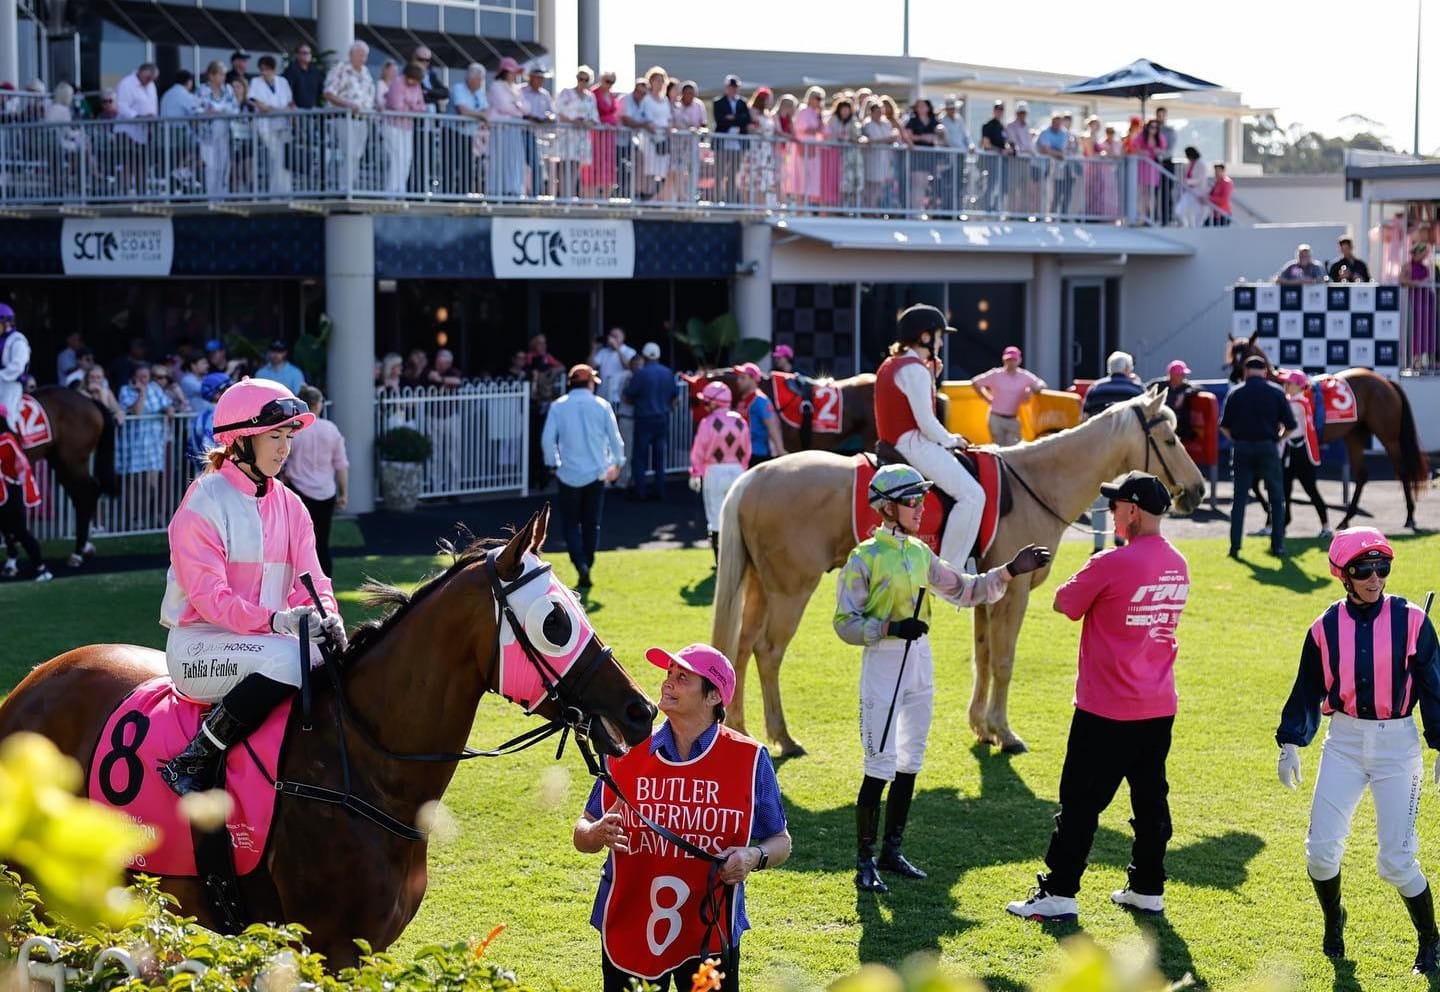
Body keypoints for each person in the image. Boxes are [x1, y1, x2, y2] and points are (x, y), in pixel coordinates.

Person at [838, 464, 1049, 893]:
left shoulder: (919, 553)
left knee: (910, 759)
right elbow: (845, 623)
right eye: (912, 501)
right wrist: (889, 629)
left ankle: (891, 852)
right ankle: (864, 860)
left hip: (920, 660)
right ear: (887, 507)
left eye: (922, 499)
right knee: (879, 763)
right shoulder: (863, 558)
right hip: (883, 661)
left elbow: (966, 590)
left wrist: (1009, 569)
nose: (922, 508)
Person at [1006, 471, 1189, 921]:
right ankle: (1147, 887)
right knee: (1150, 802)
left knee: (1080, 805)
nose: (1110, 513)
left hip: (1105, 708)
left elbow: (1064, 603)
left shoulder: (1110, 562)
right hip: (1158, 705)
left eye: (1115, 506)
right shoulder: (1178, 562)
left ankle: (1059, 893)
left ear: (1132, 511)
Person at [157, 378, 345, 797]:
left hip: (263, 641)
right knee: (291, 661)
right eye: (274, 436)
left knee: (331, 658)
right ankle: (194, 757)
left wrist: (329, 615)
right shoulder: (203, 502)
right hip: (199, 646)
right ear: (240, 440)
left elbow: (311, 580)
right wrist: (278, 621)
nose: (284, 448)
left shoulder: (292, 505)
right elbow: (210, 599)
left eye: (288, 437)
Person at [574, 642, 791, 992]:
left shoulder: (749, 760)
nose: (667, 683)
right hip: (628, 926)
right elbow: (581, 833)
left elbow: (780, 842)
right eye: (669, 674)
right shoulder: (626, 750)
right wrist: (596, 832)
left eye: (682, 678)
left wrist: (753, 857)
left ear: (713, 697)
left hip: (712, 931)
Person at [1276, 528, 1440, 975]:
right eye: (1362, 569)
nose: (1374, 577)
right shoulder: (1323, 627)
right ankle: (1335, 921)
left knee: (1397, 861)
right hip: (1343, 744)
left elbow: (1434, 687)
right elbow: (1308, 688)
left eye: (1381, 567)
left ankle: (1430, 940)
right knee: (1320, 852)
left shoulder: (1413, 621)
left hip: (1397, 747)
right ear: (1342, 575)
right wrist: (1291, 739)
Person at [874, 304, 983, 568]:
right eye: (938, 336)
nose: (941, 342)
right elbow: (926, 423)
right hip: (914, 443)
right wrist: (952, 440)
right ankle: (949, 570)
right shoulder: (915, 369)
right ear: (924, 337)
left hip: (896, 441)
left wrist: (930, 377)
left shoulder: (893, 363)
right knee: (973, 496)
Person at [542, 364, 625, 589]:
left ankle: (580, 563)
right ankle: (586, 562)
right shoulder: (602, 405)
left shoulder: (559, 406)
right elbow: (616, 439)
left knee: (570, 523)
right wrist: (618, 463)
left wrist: (554, 464)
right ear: (590, 383)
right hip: (596, 473)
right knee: (591, 523)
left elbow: (547, 440)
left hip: (568, 473)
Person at [1220, 355, 1295, 559]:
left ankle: (1235, 547)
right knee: (1276, 498)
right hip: (1268, 447)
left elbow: (1224, 426)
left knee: (1239, 499)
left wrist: (1236, 440)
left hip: (1242, 447)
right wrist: (1278, 439)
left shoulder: (1235, 393)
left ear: (1245, 371)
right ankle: (1277, 545)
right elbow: (1291, 426)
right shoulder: (1276, 392)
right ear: (1264, 372)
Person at [283, 385, 349, 576]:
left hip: (299, 490)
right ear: (318, 404)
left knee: (298, 541)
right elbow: (341, 464)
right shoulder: (331, 429)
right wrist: (344, 493)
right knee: (322, 541)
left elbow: (281, 462)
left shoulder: (294, 431)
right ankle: (325, 585)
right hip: (326, 492)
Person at [689, 381, 750, 565]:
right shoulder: (741, 421)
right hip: (738, 471)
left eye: (707, 402)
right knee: (736, 517)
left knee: (715, 517)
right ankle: (738, 560)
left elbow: (699, 450)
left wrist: (695, 472)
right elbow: (747, 449)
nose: (705, 406)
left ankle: (721, 563)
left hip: (715, 472)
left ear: (714, 403)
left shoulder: (707, 422)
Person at [0, 404, 51, 582]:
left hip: (11, 493)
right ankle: (12, 562)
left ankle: (41, 568)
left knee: (20, 532)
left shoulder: (6, 440)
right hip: (4, 493)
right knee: (7, 531)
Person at [1278, 369, 1331, 539]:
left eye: (1289, 383)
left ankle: (1326, 526)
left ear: (1299, 386)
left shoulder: (1299, 403)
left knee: (1311, 490)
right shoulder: (1290, 401)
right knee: (1284, 490)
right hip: (1288, 451)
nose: (1285, 385)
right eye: (1285, 382)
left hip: (1302, 452)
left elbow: (1289, 425)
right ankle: (1283, 524)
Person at [622, 342, 673, 502]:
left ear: (644, 356)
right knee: (659, 456)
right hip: (662, 418)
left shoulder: (641, 374)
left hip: (644, 419)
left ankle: (640, 491)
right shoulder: (667, 372)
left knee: (640, 457)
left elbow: (628, 395)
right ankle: (660, 490)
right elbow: (674, 396)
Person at [971, 346, 1045, 446]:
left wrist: (1031, 390)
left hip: (1013, 418)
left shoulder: (1024, 376)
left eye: (1013, 360)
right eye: (1008, 360)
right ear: (1004, 360)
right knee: (999, 448)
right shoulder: (996, 374)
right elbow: (975, 382)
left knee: (1014, 448)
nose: (1011, 363)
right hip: (996, 417)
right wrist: (986, 398)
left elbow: (1041, 383)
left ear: (1019, 360)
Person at [732, 362, 785, 467]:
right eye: (738, 378)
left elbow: (772, 427)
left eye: (743, 378)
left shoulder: (760, 400)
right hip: (742, 453)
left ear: (753, 379)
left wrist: (780, 452)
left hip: (757, 455)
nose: (738, 381)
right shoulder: (742, 401)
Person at [1145, 360, 1199, 442]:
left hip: (1180, 426)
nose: (1183, 377)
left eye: (1184, 375)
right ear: (1172, 375)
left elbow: (1199, 388)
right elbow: (1144, 390)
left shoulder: (1185, 387)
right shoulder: (1160, 385)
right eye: (1181, 374)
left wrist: (1184, 394)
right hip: (1161, 424)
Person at [1081, 351, 1144, 417]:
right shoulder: (1137, 389)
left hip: (1101, 426)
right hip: (1127, 427)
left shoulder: (1095, 388)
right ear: (1127, 368)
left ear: (1110, 367)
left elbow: (1085, 416)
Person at [0, 303, 29, 432]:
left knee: (7, 416)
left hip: (10, 386)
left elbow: (18, 366)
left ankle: (13, 440)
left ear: (6, 323)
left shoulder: (18, 340)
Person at [590, 327, 635, 406]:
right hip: (603, 394)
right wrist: (593, 349)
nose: (612, 338)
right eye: (611, 336)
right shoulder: (603, 351)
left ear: (623, 338)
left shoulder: (629, 351)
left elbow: (628, 366)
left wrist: (617, 348)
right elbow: (590, 366)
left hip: (619, 395)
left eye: (615, 336)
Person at [1206, 162, 1233, 226]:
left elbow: (1223, 199)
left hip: (1223, 214)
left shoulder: (1226, 182)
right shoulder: (1217, 182)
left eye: (1218, 171)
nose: (1216, 173)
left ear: (1223, 171)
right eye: (1215, 171)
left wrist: (1209, 198)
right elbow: (1211, 194)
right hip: (1215, 213)